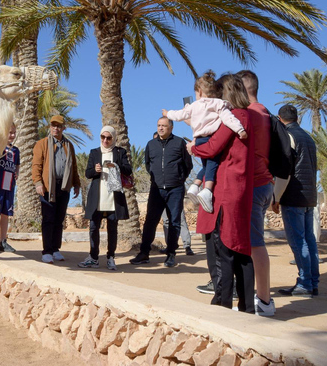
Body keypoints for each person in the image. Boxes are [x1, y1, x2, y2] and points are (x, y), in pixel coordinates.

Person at [190, 74, 255, 313]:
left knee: (224, 249)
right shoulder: (246, 116)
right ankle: (247, 307)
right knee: (240, 250)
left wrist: (193, 146)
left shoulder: (234, 117)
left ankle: (222, 303)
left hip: (227, 189)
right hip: (238, 188)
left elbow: (212, 146)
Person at [163, 71, 247, 214]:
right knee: (212, 164)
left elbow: (179, 115)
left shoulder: (193, 106)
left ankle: (195, 186)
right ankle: (207, 190)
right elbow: (228, 119)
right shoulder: (219, 104)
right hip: (210, 138)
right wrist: (240, 130)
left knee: (206, 164)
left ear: (200, 91)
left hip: (199, 139)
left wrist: (167, 113)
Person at [237, 69, 277, 316]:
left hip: (254, 184)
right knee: (254, 243)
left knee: (255, 244)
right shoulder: (264, 112)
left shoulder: (250, 115)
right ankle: (259, 298)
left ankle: (264, 301)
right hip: (265, 183)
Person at [130, 117, 192, 268]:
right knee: (150, 221)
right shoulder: (151, 145)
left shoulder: (179, 143)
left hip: (175, 189)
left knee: (174, 222)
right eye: (159, 125)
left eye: (164, 126)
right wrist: (155, 178)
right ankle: (144, 253)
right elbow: (147, 164)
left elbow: (187, 165)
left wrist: (178, 179)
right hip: (156, 189)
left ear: (171, 127)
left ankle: (171, 254)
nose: (161, 128)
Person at [273, 104, 320, 297]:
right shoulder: (308, 138)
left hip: (294, 196)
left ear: (279, 118)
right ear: (297, 118)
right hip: (309, 197)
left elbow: (285, 170)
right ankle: (312, 282)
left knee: (298, 241)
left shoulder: (287, 137)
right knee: (309, 240)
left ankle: (305, 283)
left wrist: (275, 197)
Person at [78, 126, 132, 271]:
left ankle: (110, 258)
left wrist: (116, 165)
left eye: (108, 138)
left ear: (113, 138)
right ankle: (94, 258)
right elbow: (87, 174)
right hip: (98, 197)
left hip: (113, 197)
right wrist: (95, 171)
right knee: (93, 228)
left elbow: (128, 170)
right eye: (103, 137)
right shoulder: (94, 152)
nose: (105, 140)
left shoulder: (120, 152)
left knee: (112, 229)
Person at [32, 115, 81, 264]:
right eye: (53, 125)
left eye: (59, 126)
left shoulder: (69, 145)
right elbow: (36, 165)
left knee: (59, 219)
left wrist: (77, 183)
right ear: (50, 127)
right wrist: (38, 182)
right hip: (48, 186)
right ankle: (46, 251)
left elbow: (73, 167)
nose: (56, 128)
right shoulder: (42, 144)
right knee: (48, 218)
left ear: (63, 128)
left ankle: (55, 249)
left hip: (64, 186)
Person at [0, 123, 20, 254]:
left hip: (10, 186)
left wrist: (17, 172)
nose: (12, 135)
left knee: (6, 214)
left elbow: (17, 164)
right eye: (9, 132)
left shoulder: (16, 150)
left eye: (14, 132)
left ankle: (3, 241)